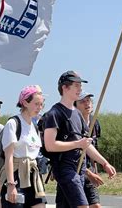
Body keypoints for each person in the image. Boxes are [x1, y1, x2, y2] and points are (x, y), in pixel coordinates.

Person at [43, 71, 116, 208]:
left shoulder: (77, 114)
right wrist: (77, 144)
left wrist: (104, 163)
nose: (80, 89)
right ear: (65, 88)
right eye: (76, 85)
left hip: (80, 168)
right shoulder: (54, 113)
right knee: (83, 206)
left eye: (80, 86)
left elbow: (86, 144)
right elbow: (50, 145)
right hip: (65, 168)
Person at [0, 85, 47, 208]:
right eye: (36, 104)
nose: (39, 108)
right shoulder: (13, 123)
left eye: (41, 104)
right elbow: (8, 158)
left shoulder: (35, 126)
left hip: (33, 176)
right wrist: (11, 185)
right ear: (25, 102)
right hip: (16, 176)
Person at [75, 92, 102, 208]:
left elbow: (93, 149)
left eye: (89, 101)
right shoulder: (73, 124)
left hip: (88, 169)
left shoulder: (94, 122)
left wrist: (94, 171)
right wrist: (89, 173)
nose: (87, 104)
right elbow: (72, 155)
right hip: (74, 169)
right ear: (75, 106)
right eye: (82, 101)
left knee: (95, 205)